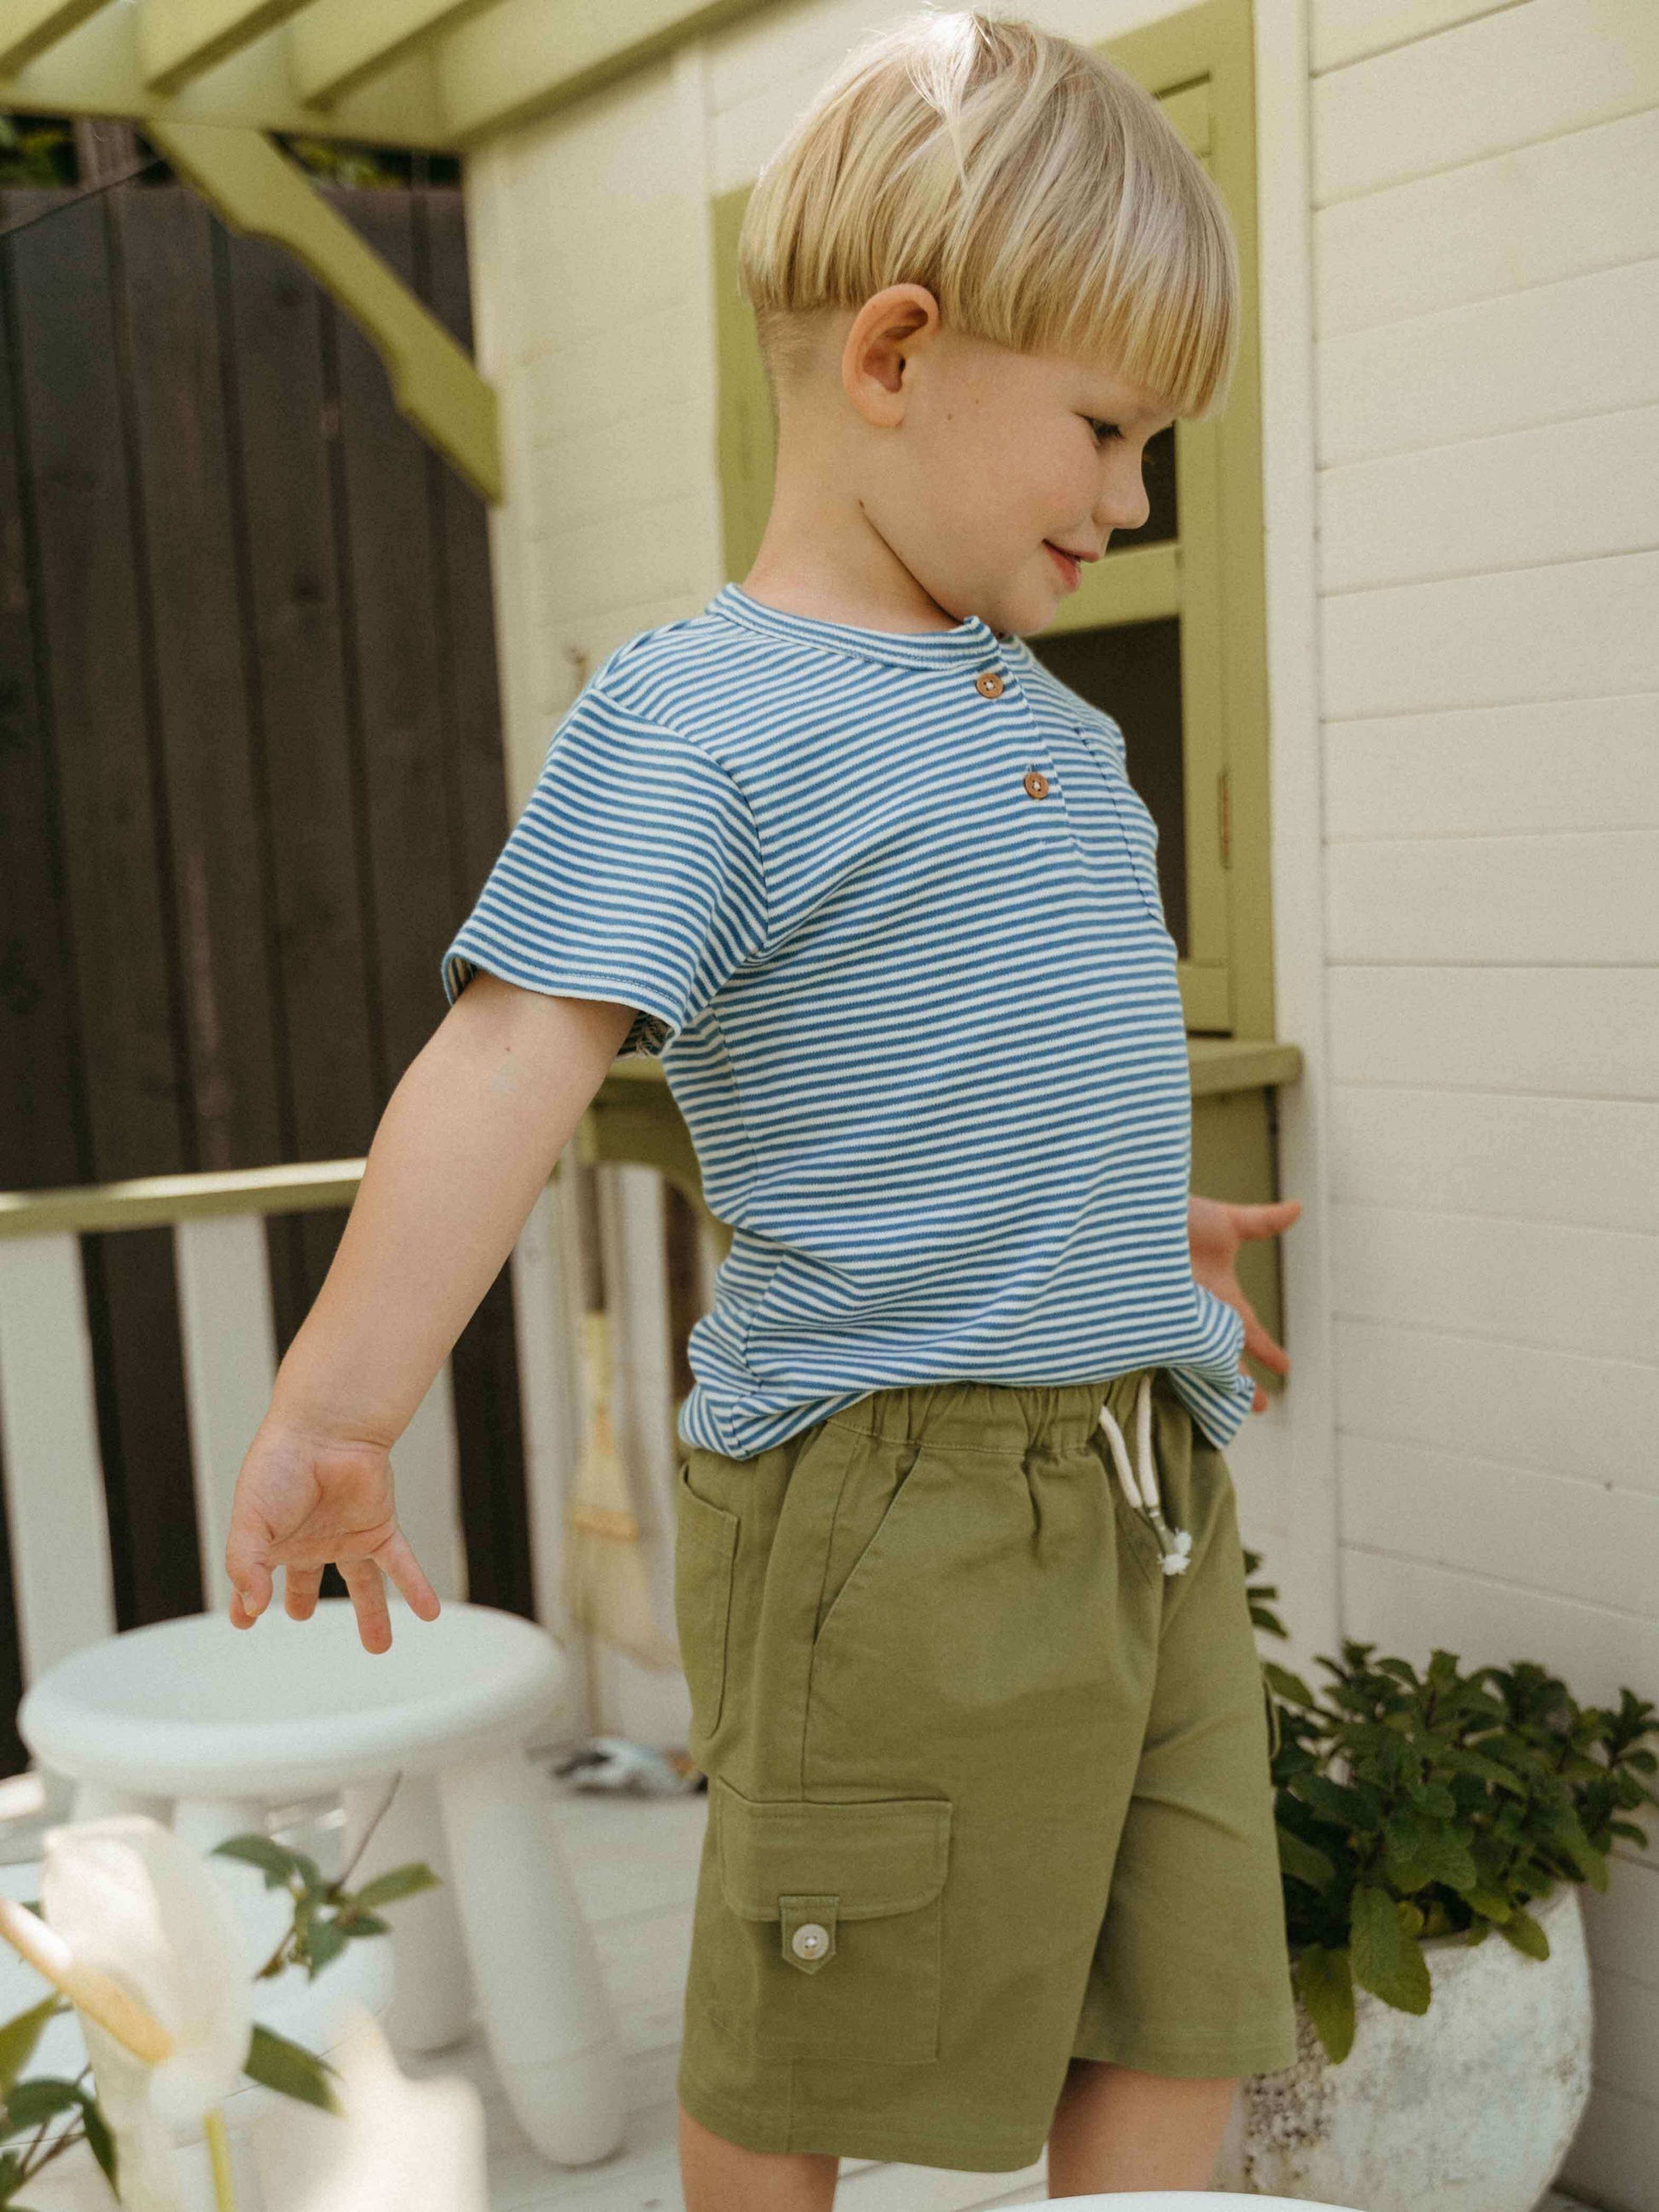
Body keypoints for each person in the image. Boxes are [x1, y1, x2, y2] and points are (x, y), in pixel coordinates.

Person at [223, 10, 1304, 2203]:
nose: (1127, 499)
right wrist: (343, 1402)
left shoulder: (1055, 731)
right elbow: (512, 1054)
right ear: (896, 354)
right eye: (1105, 430)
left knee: (1178, 1987)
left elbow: (994, 1042)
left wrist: (1119, 1212)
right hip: (885, 1502)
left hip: (1140, 1475)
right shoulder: (702, 718)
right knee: (813, 2033)